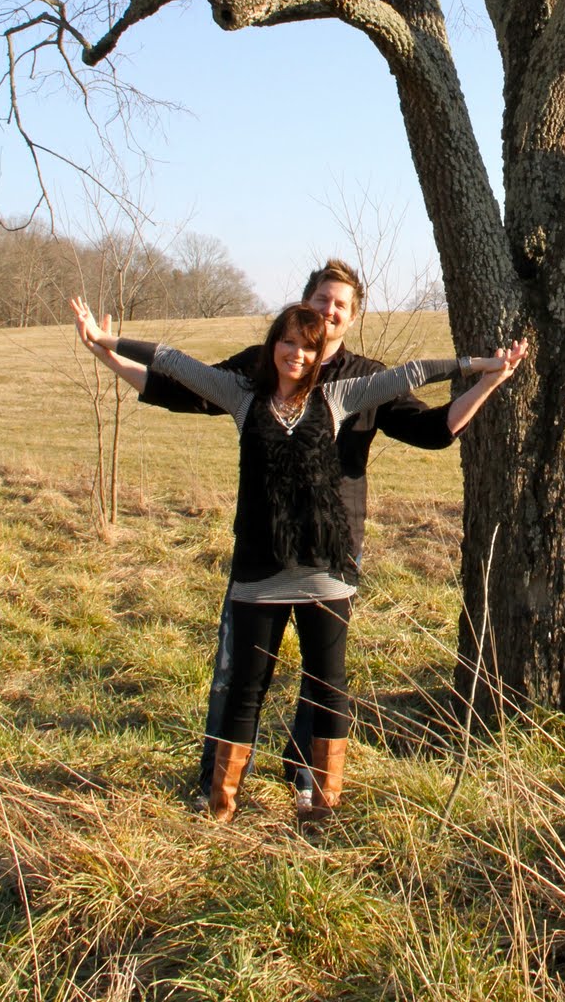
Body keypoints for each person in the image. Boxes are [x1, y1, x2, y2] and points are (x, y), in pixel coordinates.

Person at [71, 294, 526, 823]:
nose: (297, 354)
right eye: (287, 342)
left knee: (328, 688)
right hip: (259, 572)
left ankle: (323, 804)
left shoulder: (337, 398)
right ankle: (221, 804)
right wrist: (104, 344)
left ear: (317, 355)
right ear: (273, 346)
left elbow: (415, 373)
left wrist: (484, 369)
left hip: (323, 572)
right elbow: (173, 363)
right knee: (245, 691)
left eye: (308, 347)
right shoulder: (242, 396)